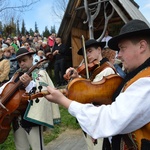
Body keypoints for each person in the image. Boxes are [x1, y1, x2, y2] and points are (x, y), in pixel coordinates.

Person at [45, 19, 150, 150]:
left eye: (122, 49)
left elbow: (109, 119)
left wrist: (63, 101)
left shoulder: (146, 82)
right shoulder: (139, 75)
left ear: (142, 46)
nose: (119, 55)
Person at [0, 48, 61, 150]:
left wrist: (29, 84)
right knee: (21, 147)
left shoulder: (39, 72)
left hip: (32, 117)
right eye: (19, 62)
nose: (21, 64)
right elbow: (5, 88)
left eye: (24, 60)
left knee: (37, 147)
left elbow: (42, 92)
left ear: (31, 58)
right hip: (16, 117)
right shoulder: (16, 74)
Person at [64, 39, 117, 150]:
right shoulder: (93, 71)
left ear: (99, 50)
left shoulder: (107, 71)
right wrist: (77, 78)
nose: (87, 55)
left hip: (99, 123)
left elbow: (99, 98)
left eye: (90, 51)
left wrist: (95, 127)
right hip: (90, 120)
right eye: (85, 53)